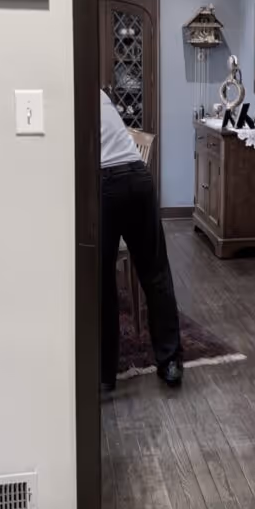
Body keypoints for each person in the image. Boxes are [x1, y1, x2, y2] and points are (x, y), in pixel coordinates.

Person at [99, 90, 183, 391]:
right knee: (155, 273)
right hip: (138, 177)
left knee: (100, 280)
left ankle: (104, 373)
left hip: (104, 184)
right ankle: (170, 362)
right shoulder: (99, 95)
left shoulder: (66, 95)